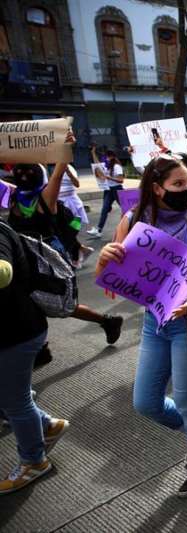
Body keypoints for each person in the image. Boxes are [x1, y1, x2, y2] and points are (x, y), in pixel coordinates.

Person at [95, 155, 187, 497]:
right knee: (145, 402)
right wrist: (105, 259)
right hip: (155, 322)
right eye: (178, 185)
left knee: (185, 398)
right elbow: (107, 279)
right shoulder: (135, 220)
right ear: (156, 189)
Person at [7, 163, 123, 345]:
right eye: (19, 170)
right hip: (22, 261)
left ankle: (107, 321)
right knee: (28, 303)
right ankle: (40, 347)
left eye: (29, 170)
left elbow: (58, 175)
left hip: (47, 263)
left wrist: (63, 149)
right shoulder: (15, 196)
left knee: (60, 305)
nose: (23, 175)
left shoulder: (45, 198)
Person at [0, 220, 70, 495]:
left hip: (16, 334)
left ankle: (34, 460)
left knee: (15, 401)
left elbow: (3, 273)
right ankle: (48, 425)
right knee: (10, 397)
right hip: (14, 331)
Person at [87, 149, 125, 238]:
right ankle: (99, 230)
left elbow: (121, 180)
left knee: (126, 210)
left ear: (111, 156)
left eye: (107, 157)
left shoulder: (116, 167)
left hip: (117, 190)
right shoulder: (106, 166)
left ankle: (135, 225)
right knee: (104, 209)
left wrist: (108, 177)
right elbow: (97, 164)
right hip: (108, 190)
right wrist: (93, 152)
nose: (106, 159)